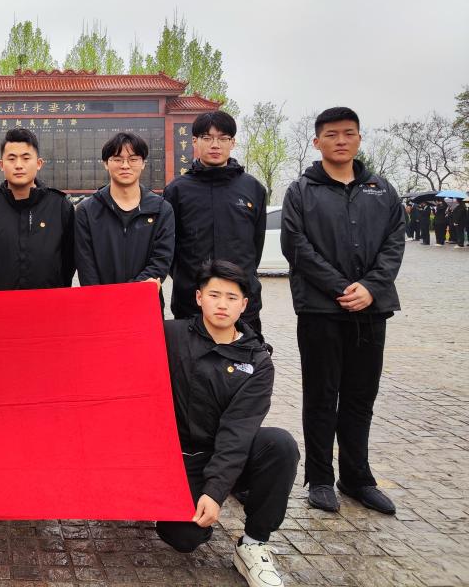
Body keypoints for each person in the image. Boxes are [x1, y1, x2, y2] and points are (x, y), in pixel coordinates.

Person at [281, 106, 404, 515]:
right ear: (317, 142)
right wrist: (340, 288)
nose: (340, 141)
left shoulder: (381, 190)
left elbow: (394, 243)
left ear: (359, 139)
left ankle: (357, 477)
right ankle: (320, 478)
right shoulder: (301, 191)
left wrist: (371, 287)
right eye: (331, 134)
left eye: (348, 133)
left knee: (360, 397)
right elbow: (296, 246)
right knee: (321, 395)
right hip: (320, 311)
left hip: (371, 310)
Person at [158, 260, 298, 587]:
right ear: (198, 297)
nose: (222, 304)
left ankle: (254, 544)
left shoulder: (257, 361)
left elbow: (238, 432)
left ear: (244, 304)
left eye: (232, 297)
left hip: (225, 452)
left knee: (280, 445)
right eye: (214, 295)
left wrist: (215, 490)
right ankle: (191, 504)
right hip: (177, 459)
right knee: (183, 537)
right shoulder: (169, 335)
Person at [163, 111, 268, 334]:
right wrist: (187, 279)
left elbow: (255, 245)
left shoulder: (253, 188)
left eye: (223, 138)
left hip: (241, 302)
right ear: (194, 141)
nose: (215, 145)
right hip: (191, 302)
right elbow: (170, 247)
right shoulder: (177, 190)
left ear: (233, 142)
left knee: (244, 355)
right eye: (207, 138)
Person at [0, 127, 75, 290]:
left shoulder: (60, 207)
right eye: (11, 159)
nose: (18, 165)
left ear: (39, 163)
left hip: (48, 302)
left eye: (26, 158)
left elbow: (69, 261)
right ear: (1, 165)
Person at [74, 131, 175, 296]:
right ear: (106, 163)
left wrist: (128, 294)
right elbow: (86, 266)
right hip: (100, 301)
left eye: (133, 159)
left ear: (143, 163)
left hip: (144, 301)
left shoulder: (161, 209)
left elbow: (161, 261)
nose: (125, 165)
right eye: (117, 159)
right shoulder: (87, 210)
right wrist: (106, 298)